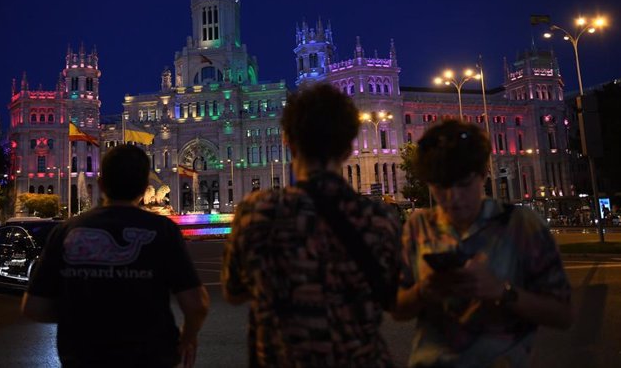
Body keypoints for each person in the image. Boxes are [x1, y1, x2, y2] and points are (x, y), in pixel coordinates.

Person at [222, 83, 402, 367]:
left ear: (287, 141)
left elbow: (233, 292)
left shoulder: (257, 214)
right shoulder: (379, 219)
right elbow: (395, 300)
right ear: (347, 147)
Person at [391, 120, 572, 367]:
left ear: (483, 175)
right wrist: (424, 291)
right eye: (441, 187)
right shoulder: (418, 225)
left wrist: (501, 291)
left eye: (464, 184)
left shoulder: (520, 224)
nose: (453, 198)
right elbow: (399, 309)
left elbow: (562, 314)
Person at [22, 144, 209, 368]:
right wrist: (187, 337)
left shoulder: (67, 231)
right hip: (150, 356)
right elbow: (196, 304)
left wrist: (83, 315)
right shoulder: (162, 230)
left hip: (83, 357)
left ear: (101, 185)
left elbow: (34, 307)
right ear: (144, 189)